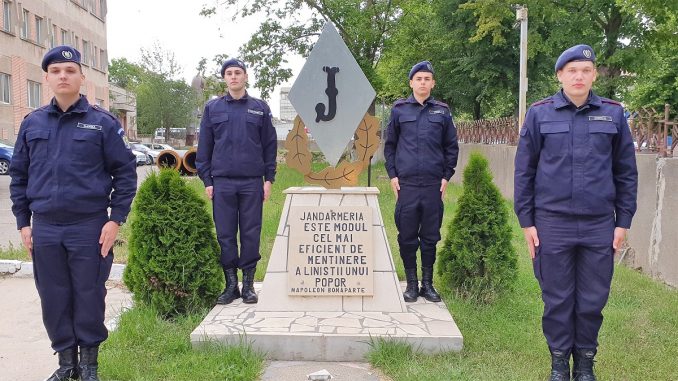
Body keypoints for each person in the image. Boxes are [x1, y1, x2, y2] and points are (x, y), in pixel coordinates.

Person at [9, 45, 137, 381]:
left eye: (69, 70)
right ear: (47, 78)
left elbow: (125, 174)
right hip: (46, 228)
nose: (63, 76)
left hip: (89, 227)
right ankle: (67, 366)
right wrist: (23, 222)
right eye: (56, 71)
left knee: (89, 295)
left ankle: (90, 367)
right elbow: (19, 176)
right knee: (53, 298)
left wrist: (115, 219)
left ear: (82, 77)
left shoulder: (103, 123)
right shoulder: (32, 123)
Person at [514, 45, 638, 381]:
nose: (579, 76)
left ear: (595, 74)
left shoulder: (613, 114)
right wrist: (527, 222)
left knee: (591, 301)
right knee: (557, 300)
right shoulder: (540, 114)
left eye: (585, 70)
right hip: (552, 224)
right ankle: (558, 364)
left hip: (599, 225)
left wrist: (622, 222)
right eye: (572, 70)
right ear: (560, 76)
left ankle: (584, 363)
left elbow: (625, 172)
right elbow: (524, 172)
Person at [196, 58, 277, 305]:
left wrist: (269, 179)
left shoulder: (259, 108)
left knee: (251, 233)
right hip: (222, 183)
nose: (233, 77)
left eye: (238, 72)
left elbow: (269, 146)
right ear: (224, 78)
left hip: (252, 182)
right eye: (229, 73)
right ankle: (231, 285)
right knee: (226, 234)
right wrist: (207, 180)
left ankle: (249, 285)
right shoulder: (213, 109)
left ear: (245, 76)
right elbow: (204, 149)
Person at [383, 61, 459, 303]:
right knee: (406, 235)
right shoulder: (399, 110)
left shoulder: (443, 112)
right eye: (419, 79)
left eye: (427, 78)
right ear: (411, 83)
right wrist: (393, 175)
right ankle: (412, 284)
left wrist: (446, 176)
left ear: (433, 83)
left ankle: (428, 283)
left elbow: (451, 147)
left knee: (430, 236)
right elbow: (390, 146)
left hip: (432, 185)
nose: (423, 82)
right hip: (406, 185)